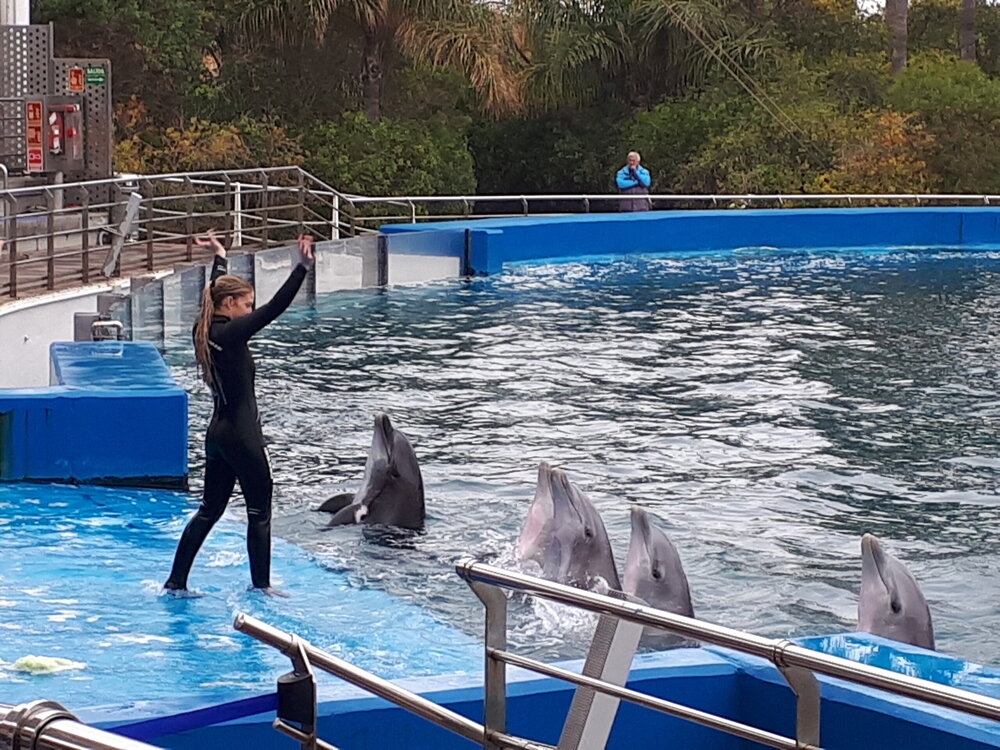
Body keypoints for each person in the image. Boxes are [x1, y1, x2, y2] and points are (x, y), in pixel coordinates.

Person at [164, 230, 315, 596]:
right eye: (246, 304)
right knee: (259, 512)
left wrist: (220, 256)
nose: (249, 310)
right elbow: (274, 309)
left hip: (217, 434)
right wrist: (302, 268)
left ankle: (176, 581)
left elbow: (213, 290)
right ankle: (262, 586)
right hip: (244, 437)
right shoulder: (231, 334)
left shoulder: (203, 328)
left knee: (209, 510)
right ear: (230, 304)